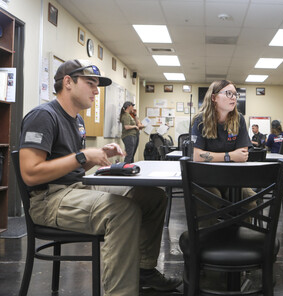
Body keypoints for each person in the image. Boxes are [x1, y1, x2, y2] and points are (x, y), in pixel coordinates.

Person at [19, 59, 181, 295]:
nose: (96, 90)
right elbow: (31, 174)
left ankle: (144, 271)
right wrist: (82, 157)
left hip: (76, 189)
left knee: (153, 197)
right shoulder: (43, 116)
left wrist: (94, 157)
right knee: (122, 211)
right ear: (68, 83)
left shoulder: (77, 120)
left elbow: (72, 167)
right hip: (48, 200)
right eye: (90, 83)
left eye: (97, 84)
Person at [191, 80, 256, 221]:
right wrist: (230, 156)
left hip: (232, 178)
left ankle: (241, 238)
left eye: (235, 94)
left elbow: (242, 155)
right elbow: (197, 156)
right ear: (213, 98)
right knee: (211, 199)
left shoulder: (239, 119)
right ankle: (207, 239)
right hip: (206, 179)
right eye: (228, 93)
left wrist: (219, 156)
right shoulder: (200, 120)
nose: (233, 97)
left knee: (249, 199)